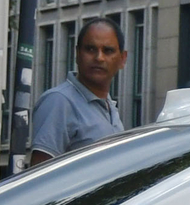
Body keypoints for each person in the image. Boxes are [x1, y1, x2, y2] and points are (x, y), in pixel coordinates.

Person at [28, 19, 126, 165]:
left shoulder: (110, 108)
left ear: (122, 59)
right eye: (90, 49)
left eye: (108, 50)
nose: (99, 57)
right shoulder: (59, 101)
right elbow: (40, 175)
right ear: (77, 54)